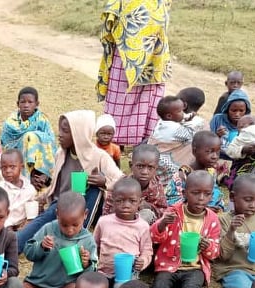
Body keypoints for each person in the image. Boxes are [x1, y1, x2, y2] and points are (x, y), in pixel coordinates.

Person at [16, 110, 124, 251]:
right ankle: (15, 244)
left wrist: (104, 182)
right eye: (60, 130)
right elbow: (56, 186)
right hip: (62, 205)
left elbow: (122, 181)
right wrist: (40, 199)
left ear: (79, 134)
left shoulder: (99, 156)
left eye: (65, 131)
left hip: (86, 207)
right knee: (44, 218)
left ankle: (76, 237)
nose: (60, 134)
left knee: (94, 188)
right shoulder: (61, 154)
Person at [97, 0, 171, 146]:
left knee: (148, 95)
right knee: (122, 94)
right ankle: (115, 139)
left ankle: (145, 140)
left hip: (153, 51)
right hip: (127, 52)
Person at [150, 171, 221, 288]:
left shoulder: (212, 219)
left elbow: (215, 253)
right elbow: (154, 238)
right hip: (168, 265)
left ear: (212, 195)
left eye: (207, 194)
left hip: (195, 268)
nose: (201, 198)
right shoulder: (173, 213)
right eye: (195, 193)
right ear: (184, 193)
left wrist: (207, 246)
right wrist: (163, 224)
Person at [19, 191, 96, 288]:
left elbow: (91, 274)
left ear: (85, 215)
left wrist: (86, 263)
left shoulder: (87, 239)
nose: (70, 230)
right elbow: (29, 252)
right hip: (38, 285)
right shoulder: (48, 229)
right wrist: (41, 246)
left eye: (75, 225)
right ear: (57, 214)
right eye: (64, 225)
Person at [93, 177, 153, 286]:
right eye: (120, 201)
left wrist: (143, 261)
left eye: (132, 201)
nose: (126, 205)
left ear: (139, 202)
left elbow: (147, 251)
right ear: (113, 200)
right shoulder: (103, 222)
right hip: (103, 273)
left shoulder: (142, 226)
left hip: (128, 274)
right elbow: (94, 245)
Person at [0, 87, 57, 181]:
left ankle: (41, 175)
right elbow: (5, 145)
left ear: (37, 104)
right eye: (23, 102)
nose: (26, 105)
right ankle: (26, 177)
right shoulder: (10, 123)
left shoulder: (42, 121)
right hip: (17, 158)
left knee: (31, 136)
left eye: (30, 102)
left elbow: (51, 143)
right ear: (18, 104)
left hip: (39, 161)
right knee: (28, 137)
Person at [101, 143, 167, 223]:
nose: (145, 172)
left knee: (147, 214)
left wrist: (149, 206)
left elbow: (163, 211)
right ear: (131, 165)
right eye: (140, 166)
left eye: (150, 167)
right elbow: (107, 214)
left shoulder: (156, 185)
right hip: (120, 223)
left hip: (147, 224)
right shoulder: (121, 186)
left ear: (156, 169)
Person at [0, 148, 37, 231]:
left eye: (12, 167)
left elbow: (32, 215)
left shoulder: (29, 189)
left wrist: (26, 225)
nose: (8, 171)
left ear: (21, 167)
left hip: (22, 224)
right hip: (4, 223)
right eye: (4, 168)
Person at [209, 88, 251, 157]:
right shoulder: (217, 119)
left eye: (241, 111)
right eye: (233, 110)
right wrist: (217, 135)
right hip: (217, 157)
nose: (237, 114)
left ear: (246, 111)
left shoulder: (249, 124)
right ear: (227, 109)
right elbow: (207, 142)